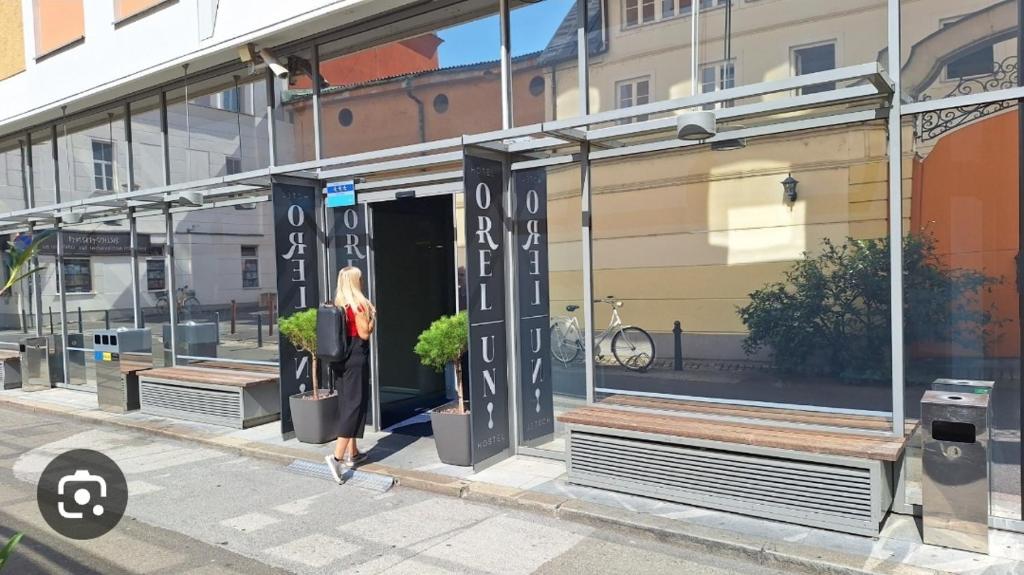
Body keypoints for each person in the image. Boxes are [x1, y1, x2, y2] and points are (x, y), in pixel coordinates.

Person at [324, 266, 375, 484]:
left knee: (347, 404)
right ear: (357, 281)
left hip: (340, 360)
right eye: (360, 278)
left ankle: (353, 453)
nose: (362, 281)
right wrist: (373, 318)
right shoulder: (360, 305)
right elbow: (364, 333)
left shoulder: (337, 304)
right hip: (356, 358)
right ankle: (336, 457)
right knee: (355, 405)